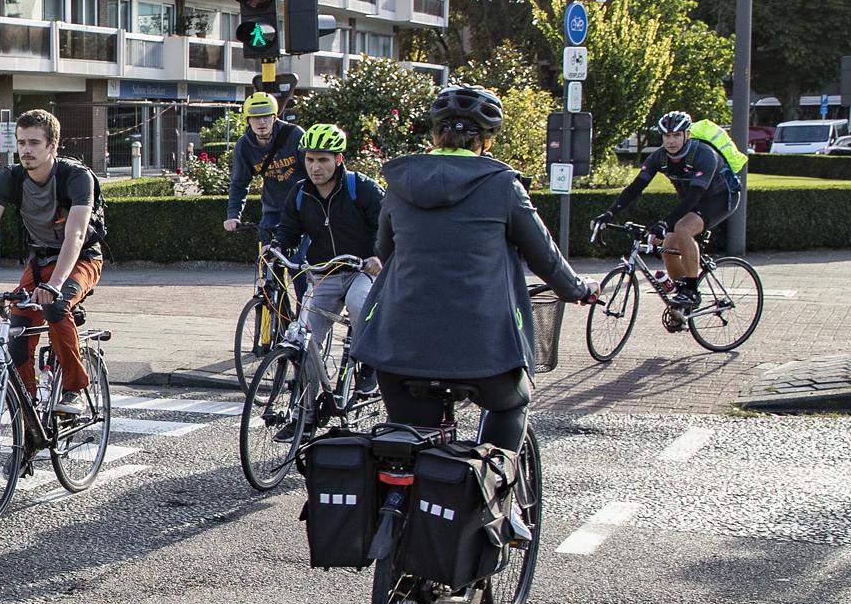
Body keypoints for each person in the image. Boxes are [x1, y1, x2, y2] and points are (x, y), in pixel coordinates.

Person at [351, 86, 595, 453]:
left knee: (408, 443)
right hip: (484, 349)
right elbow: (543, 256)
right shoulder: (501, 184)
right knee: (511, 404)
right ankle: (499, 486)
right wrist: (578, 289)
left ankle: (398, 505)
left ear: (435, 135)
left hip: (398, 346)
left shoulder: (400, 183)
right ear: (486, 140)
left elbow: (384, 250)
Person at [0, 108, 105, 409]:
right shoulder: (9, 179)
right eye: (22, 142)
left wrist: (54, 284)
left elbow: (75, 236)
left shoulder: (76, 177)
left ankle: (74, 389)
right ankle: (26, 404)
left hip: (80, 260)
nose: (26, 150)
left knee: (55, 305)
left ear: (52, 146)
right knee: (17, 328)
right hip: (38, 262)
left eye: (34, 143)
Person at [599, 110, 746, 314]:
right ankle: (681, 296)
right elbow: (635, 187)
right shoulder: (659, 157)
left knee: (682, 229)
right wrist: (608, 214)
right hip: (693, 202)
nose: (671, 141)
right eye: (667, 136)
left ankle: (692, 291)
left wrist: (664, 224)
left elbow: (695, 196)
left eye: (676, 135)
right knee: (668, 247)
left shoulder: (704, 154)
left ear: (687, 135)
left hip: (720, 199)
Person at [266, 123, 383, 376]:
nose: (315, 167)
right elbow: (289, 230)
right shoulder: (299, 193)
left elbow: (390, 227)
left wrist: (379, 256)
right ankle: (306, 410)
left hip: (361, 269)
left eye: (323, 160)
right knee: (302, 341)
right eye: (309, 159)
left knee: (359, 302)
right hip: (324, 273)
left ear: (338, 159)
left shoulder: (361, 188)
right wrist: (276, 248)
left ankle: (370, 367)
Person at [223, 90, 304, 242]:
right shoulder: (244, 145)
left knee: (299, 261)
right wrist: (233, 216)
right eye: (255, 117)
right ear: (248, 120)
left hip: (302, 208)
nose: (261, 122)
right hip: (273, 211)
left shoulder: (294, 135)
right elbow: (239, 183)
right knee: (267, 255)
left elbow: (314, 171)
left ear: (274, 117)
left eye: (266, 116)